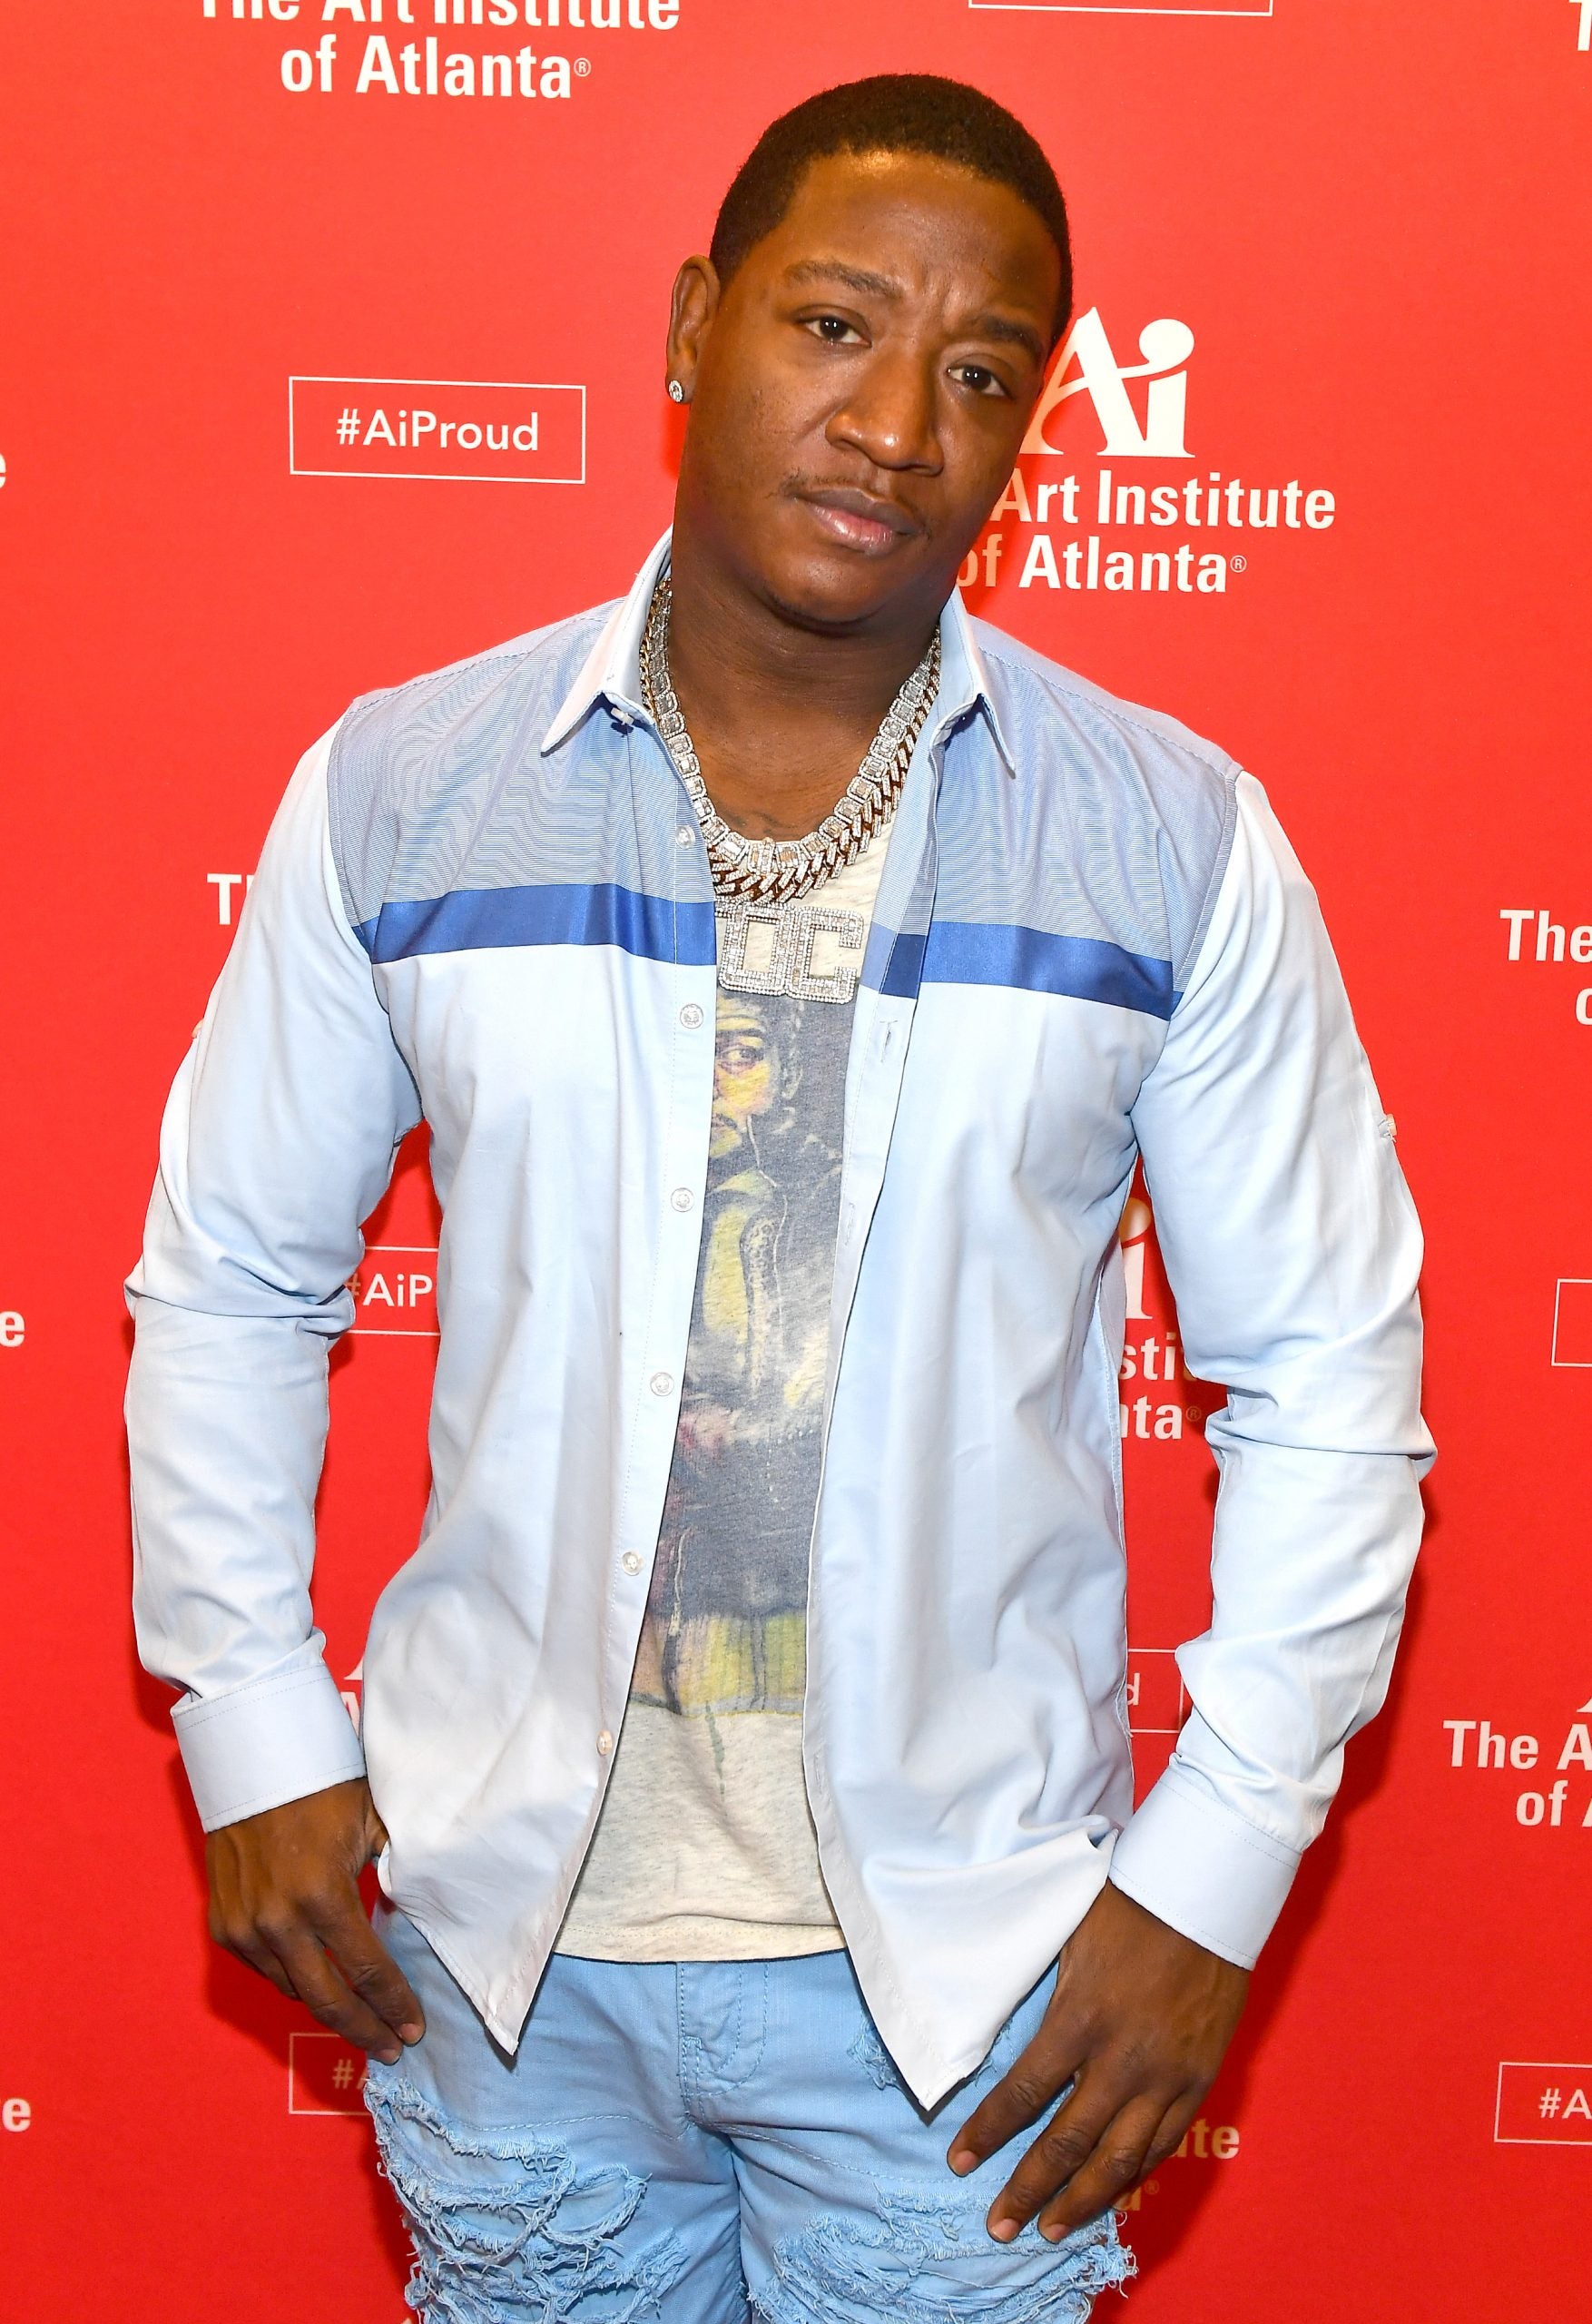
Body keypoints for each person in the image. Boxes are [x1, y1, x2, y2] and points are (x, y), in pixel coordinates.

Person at [125, 74, 1432, 2322]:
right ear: (690, 325)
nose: (897, 424)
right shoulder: (410, 789)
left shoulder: (1166, 838)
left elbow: (1327, 1375)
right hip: (503, 1951)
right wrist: (247, 1714)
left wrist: (1212, 1874)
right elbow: (233, 1277)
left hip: (967, 1984)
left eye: (981, 373)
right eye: (833, 325)